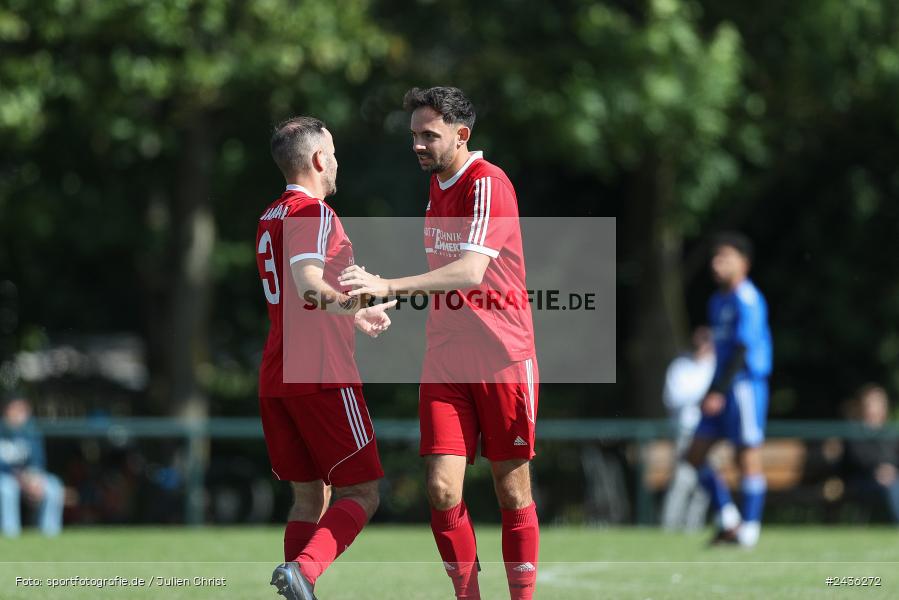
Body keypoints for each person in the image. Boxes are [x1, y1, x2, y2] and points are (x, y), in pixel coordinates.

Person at [339, 86, 539, 600]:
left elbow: (471, 272)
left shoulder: (488, 183)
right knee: (441, 488)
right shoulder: (438, 186)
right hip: (447, 358)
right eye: (414, 135)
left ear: (461, 134)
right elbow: (445, 280)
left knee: (512, 491)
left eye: (429, 135)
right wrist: (384, 300)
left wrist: (389, 285)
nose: (418, 145)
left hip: (502, 356)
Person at [259, 116, 396, 600]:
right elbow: (310, 288)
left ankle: (297, 585)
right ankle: (304, 573)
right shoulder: (313, 214)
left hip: (277, 372)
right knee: (362, 492)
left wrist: (351, 316)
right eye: (333, 154)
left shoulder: (271, 215)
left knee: (309, 494)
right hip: (320, 373)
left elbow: (302, 300)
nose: (336, 162)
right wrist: (364, 300)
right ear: (319, 159)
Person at [685, 232, 772, 547]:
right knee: (694, 455)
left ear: (743, 263)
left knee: (747, 456)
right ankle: (728, 517)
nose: (716, 263)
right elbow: (721, 355)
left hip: (745, 386)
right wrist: (712, 390)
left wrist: (718, 391)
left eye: (725, 257)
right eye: (715, 257)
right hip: (723, 386)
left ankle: (749, 530)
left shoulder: (746, 298)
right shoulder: (716, 301)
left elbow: (741, 351)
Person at [660, 326, 715, 530]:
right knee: (682, 480)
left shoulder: (716, 368)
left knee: (705, 483)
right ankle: (670, 526)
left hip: (710, 432)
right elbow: (673, 398)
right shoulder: (680, 367)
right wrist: (701, 398)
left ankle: (694, 526)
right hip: (686, 430)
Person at [0, 391, 64, 537]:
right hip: (5, 479)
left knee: (53, 486)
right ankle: (10, 534)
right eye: (16, 409)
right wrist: (19, 477)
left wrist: (34, 480)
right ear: (6, 410)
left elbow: (38, 462)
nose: (19, 414)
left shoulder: (31, 431)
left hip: (26, 479)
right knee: (7, 488)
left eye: (22, 410)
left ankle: (50, 535)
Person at [843, 384, 899, 524]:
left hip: (892, 477)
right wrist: (878, 470)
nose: (875, 407)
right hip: (864, 480)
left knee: (893, 483)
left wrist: (891, 470)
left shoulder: (891, 432)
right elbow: (855, 459)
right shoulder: (854, 431)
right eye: (871, 403)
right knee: (891, 486)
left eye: (879, 403)